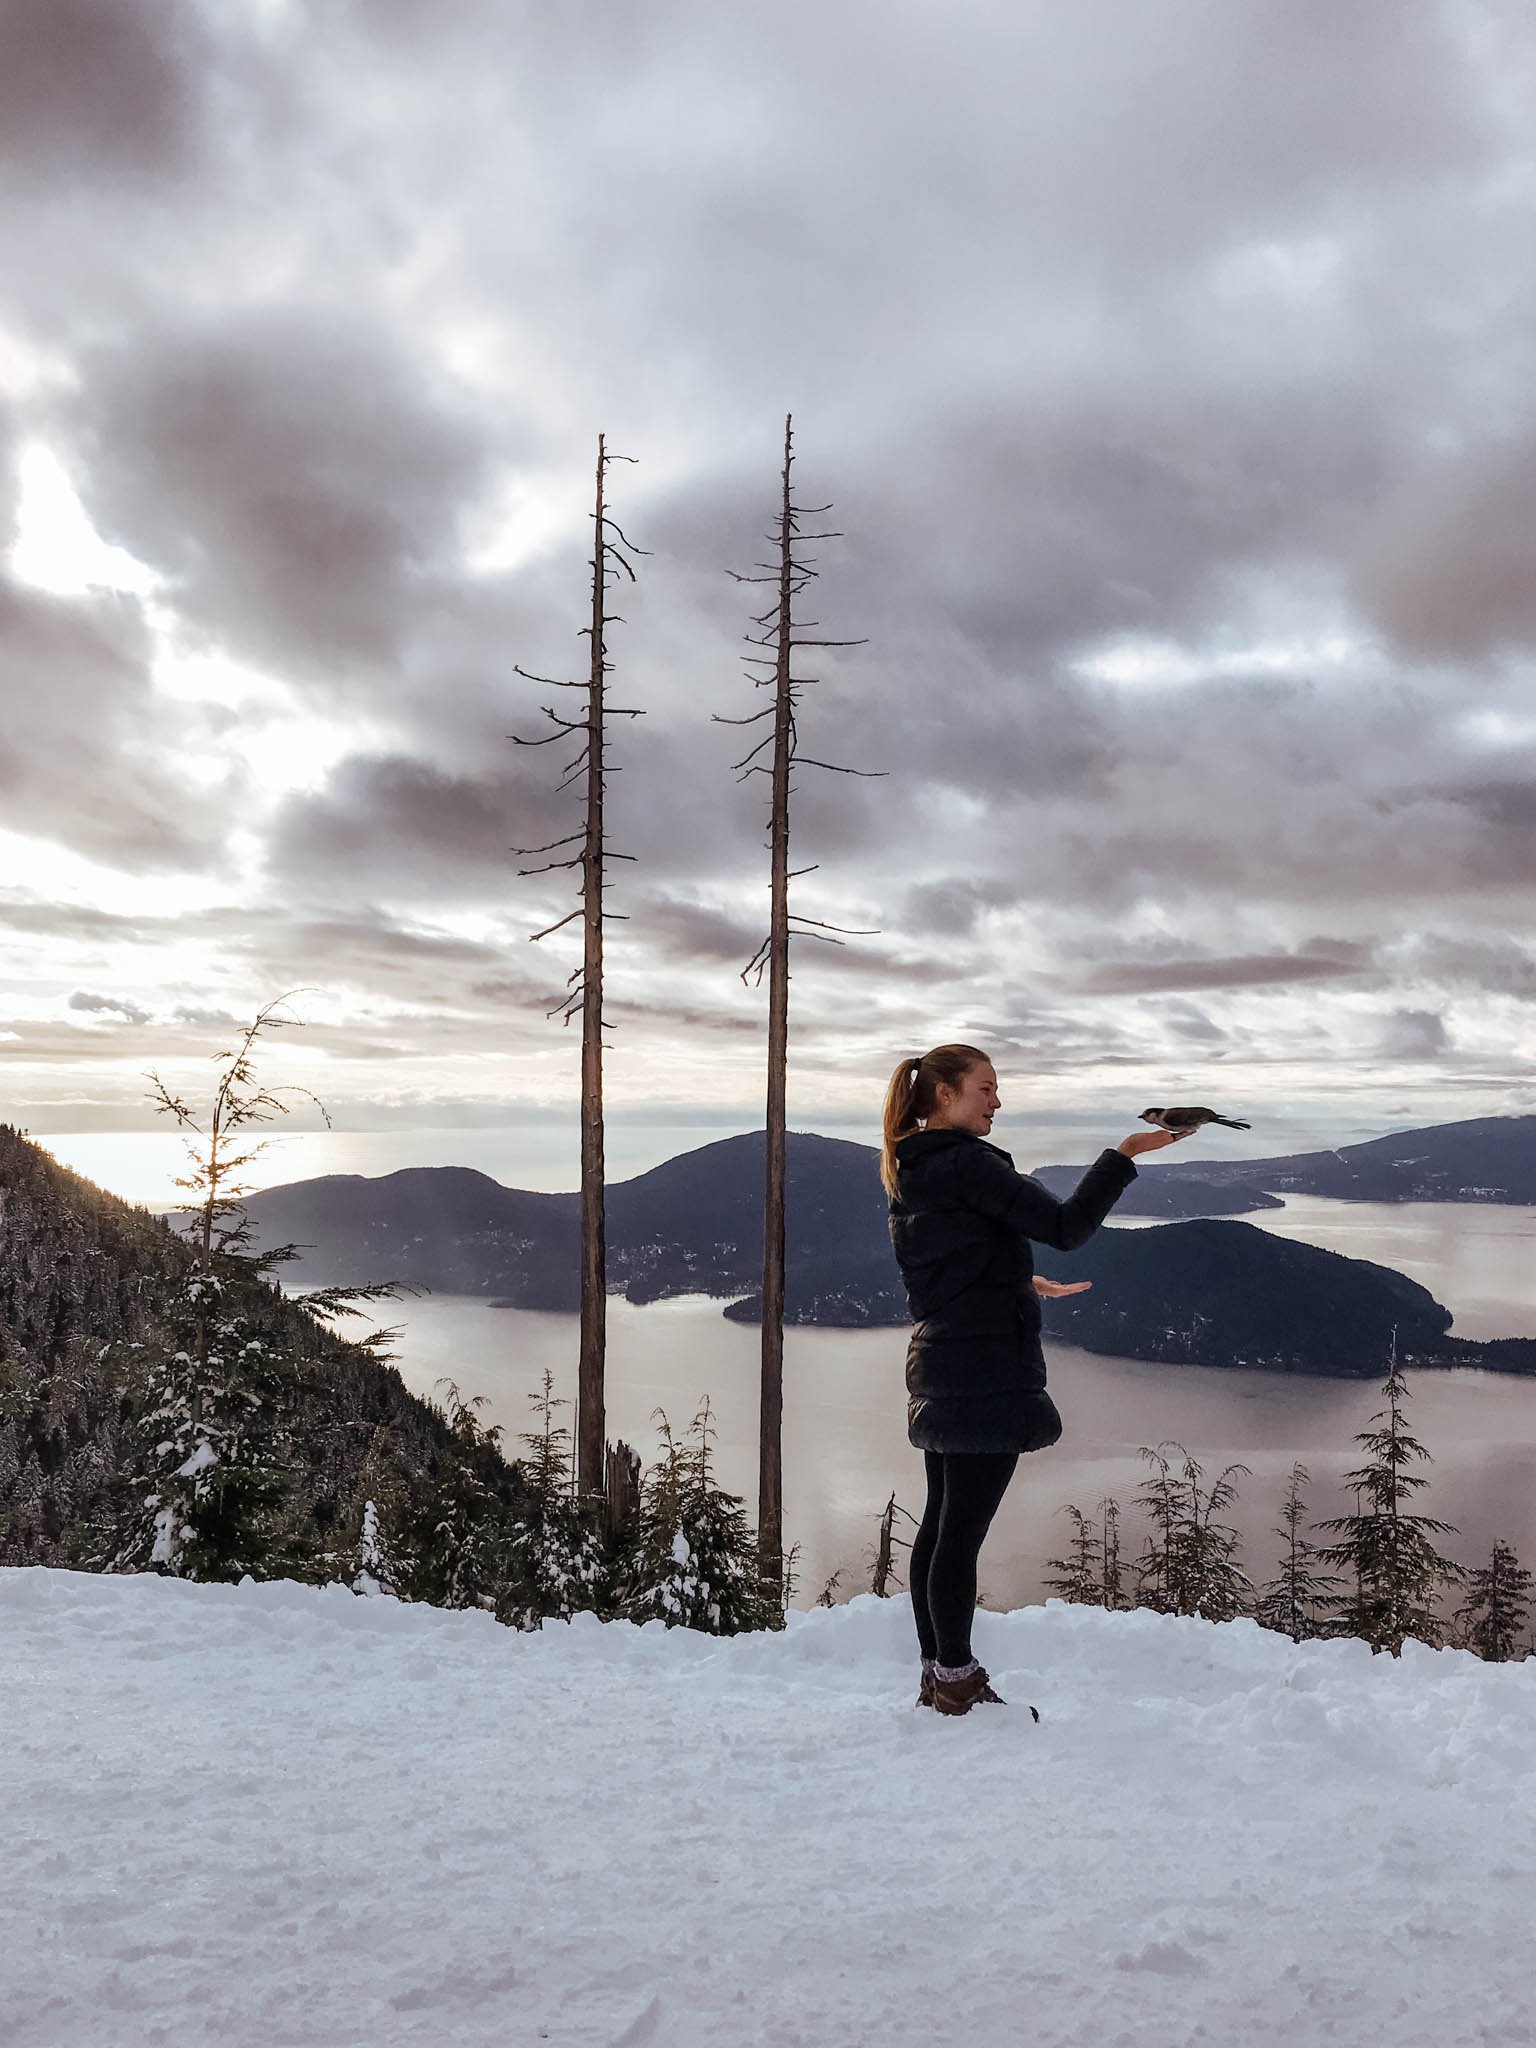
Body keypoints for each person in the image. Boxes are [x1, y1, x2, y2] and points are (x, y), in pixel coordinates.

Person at [882, 1043, 1190, 1717]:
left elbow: (944, 1265)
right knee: (958, 1534)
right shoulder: (967, 1163)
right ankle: (957, 1684)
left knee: (939, 1528)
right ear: (945, 1095)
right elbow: (1065, 1226)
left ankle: (939, 1675)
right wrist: (1126, 1155)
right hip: (985, 1371)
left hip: (944, 1360)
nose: (997, 1100)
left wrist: (1015, 1280)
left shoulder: (917, 1165)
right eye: (987, 1087)